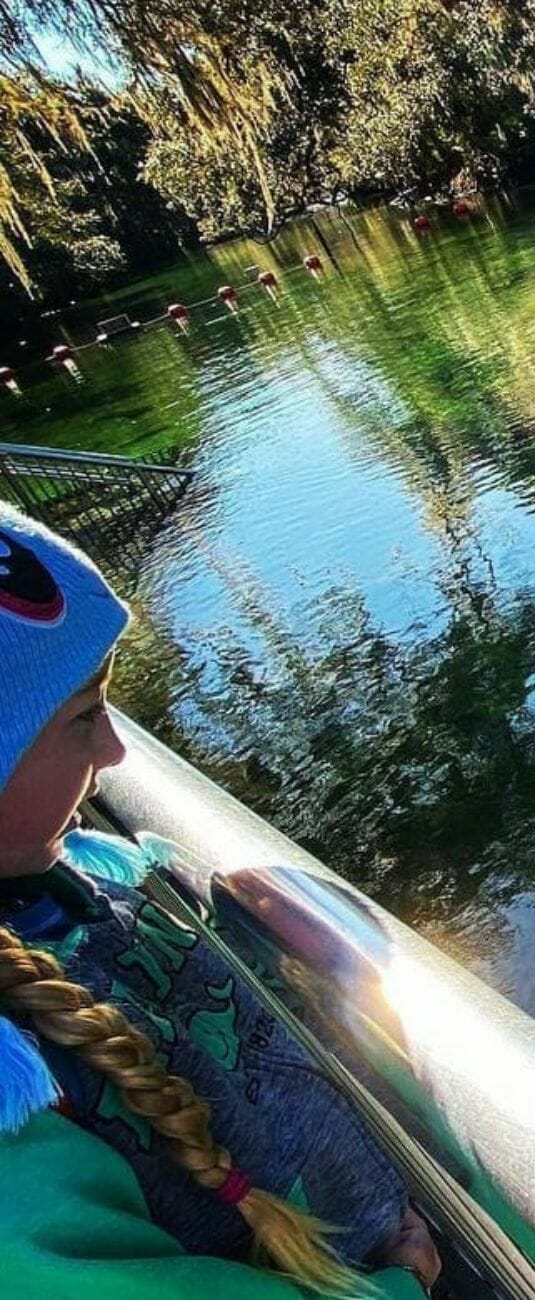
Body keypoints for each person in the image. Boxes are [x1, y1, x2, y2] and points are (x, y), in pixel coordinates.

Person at [0, 502, 441, 1297]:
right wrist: (400, 1289)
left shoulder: (83, 874)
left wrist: (273, 936)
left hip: (406, 1227)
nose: (115, 749)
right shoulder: (13, 1114)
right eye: (84, 717)